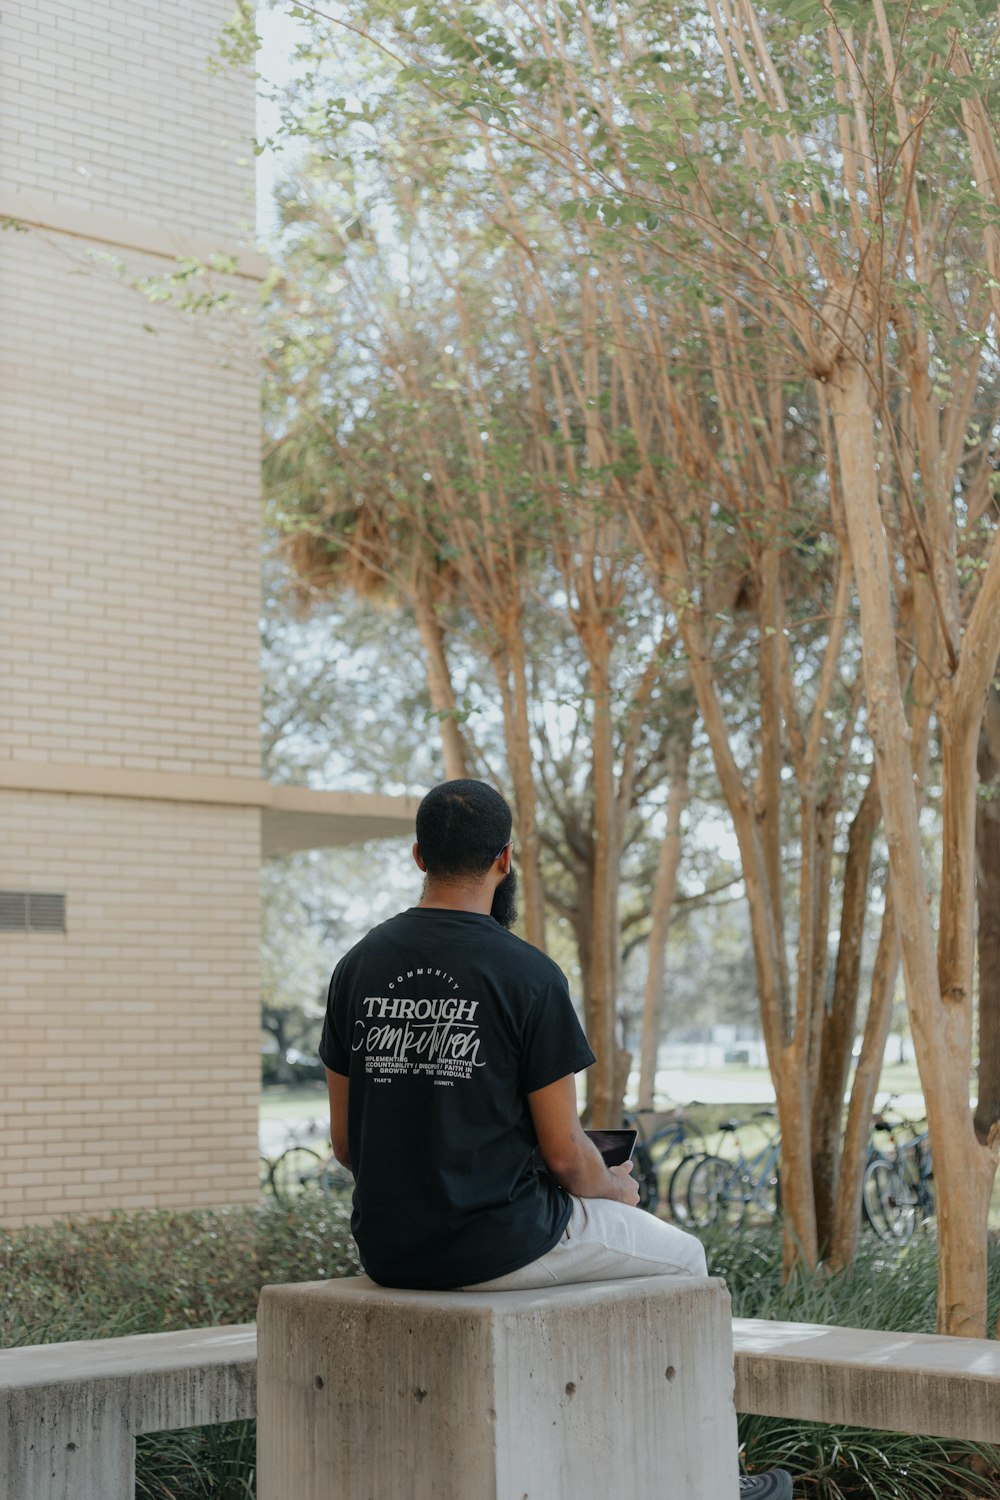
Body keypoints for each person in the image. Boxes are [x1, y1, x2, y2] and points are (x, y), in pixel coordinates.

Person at [319, 779, 792, 1500]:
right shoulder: (528, 974)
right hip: (500, 1243)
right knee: (684, 1256)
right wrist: (620, 1190)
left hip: (391, 1248)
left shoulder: (357, 967)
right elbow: (569, 1158)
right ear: (505, 860)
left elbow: (348, 1145)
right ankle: (711, 1481)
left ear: (419, 854)